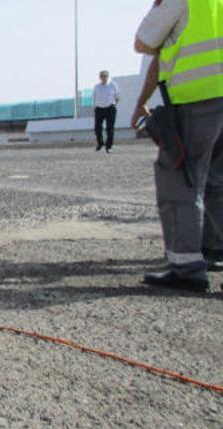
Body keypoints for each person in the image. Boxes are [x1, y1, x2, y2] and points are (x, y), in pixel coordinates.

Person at [132, 0, 223, 292]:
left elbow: (144, 42)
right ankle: (211, 247)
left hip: (197, 99)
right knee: (216, 182)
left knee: (179, 182)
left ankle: (186, 267)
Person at [92, 70, 121, 152]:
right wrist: (95, 106)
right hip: (99, 109)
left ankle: (109, 146)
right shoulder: (96, 86)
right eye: (101, 76)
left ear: (107, 77)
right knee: (97, 127)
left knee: (110, 128)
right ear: (99, 77)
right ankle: (100, 143)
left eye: (104, 76)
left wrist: (114, 104)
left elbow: (117, 96)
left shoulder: (112, 85)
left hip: (110, 108)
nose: (103, 78)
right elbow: (94, 97)